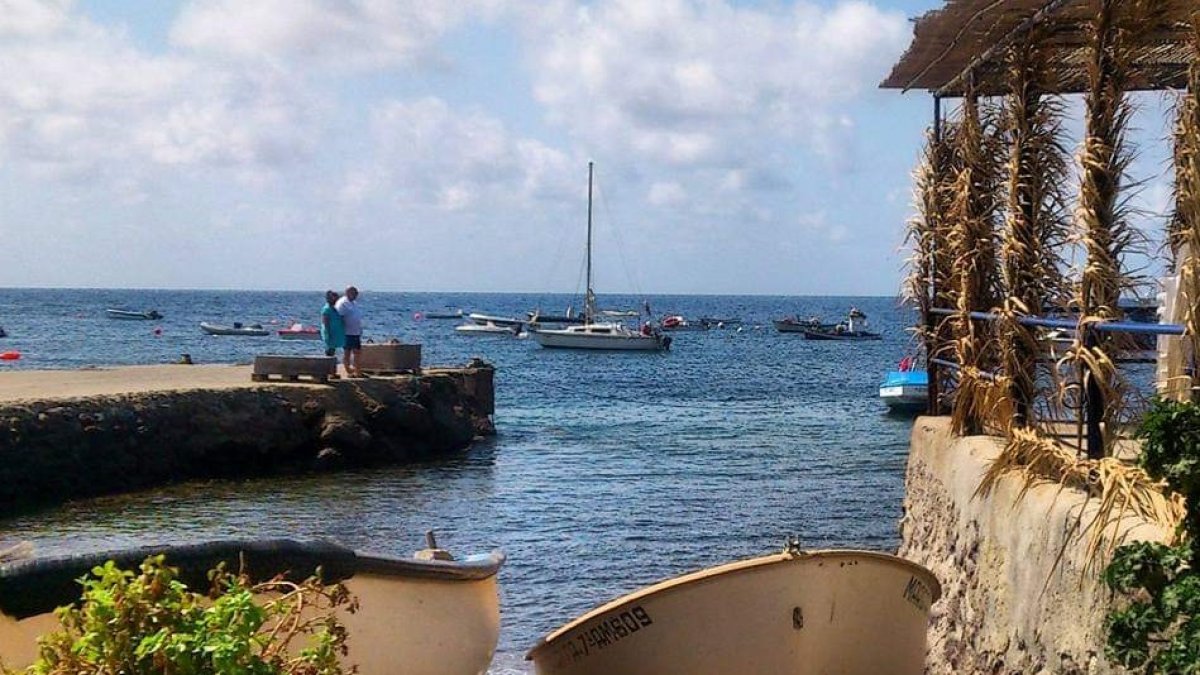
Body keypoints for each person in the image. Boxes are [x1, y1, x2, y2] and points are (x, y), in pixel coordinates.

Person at [335, 286, 364, 377]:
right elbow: (339, 317)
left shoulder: (354, 303)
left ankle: (357, 371)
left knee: (357, 352)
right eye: (354, 293)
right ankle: (348, 371)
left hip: (355, 332)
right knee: (347, 352)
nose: (356, 295)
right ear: (348, 293)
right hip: (347, 332)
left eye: (356, 293)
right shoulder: (342, 303)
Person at [320, 290, 345, 360]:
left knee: (342, 347)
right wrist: (328, 332)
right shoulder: (326, 309)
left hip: (337, 331)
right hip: (330, 332)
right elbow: (325, 322)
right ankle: (328, 362)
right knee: (330, 349)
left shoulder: (337, 308)